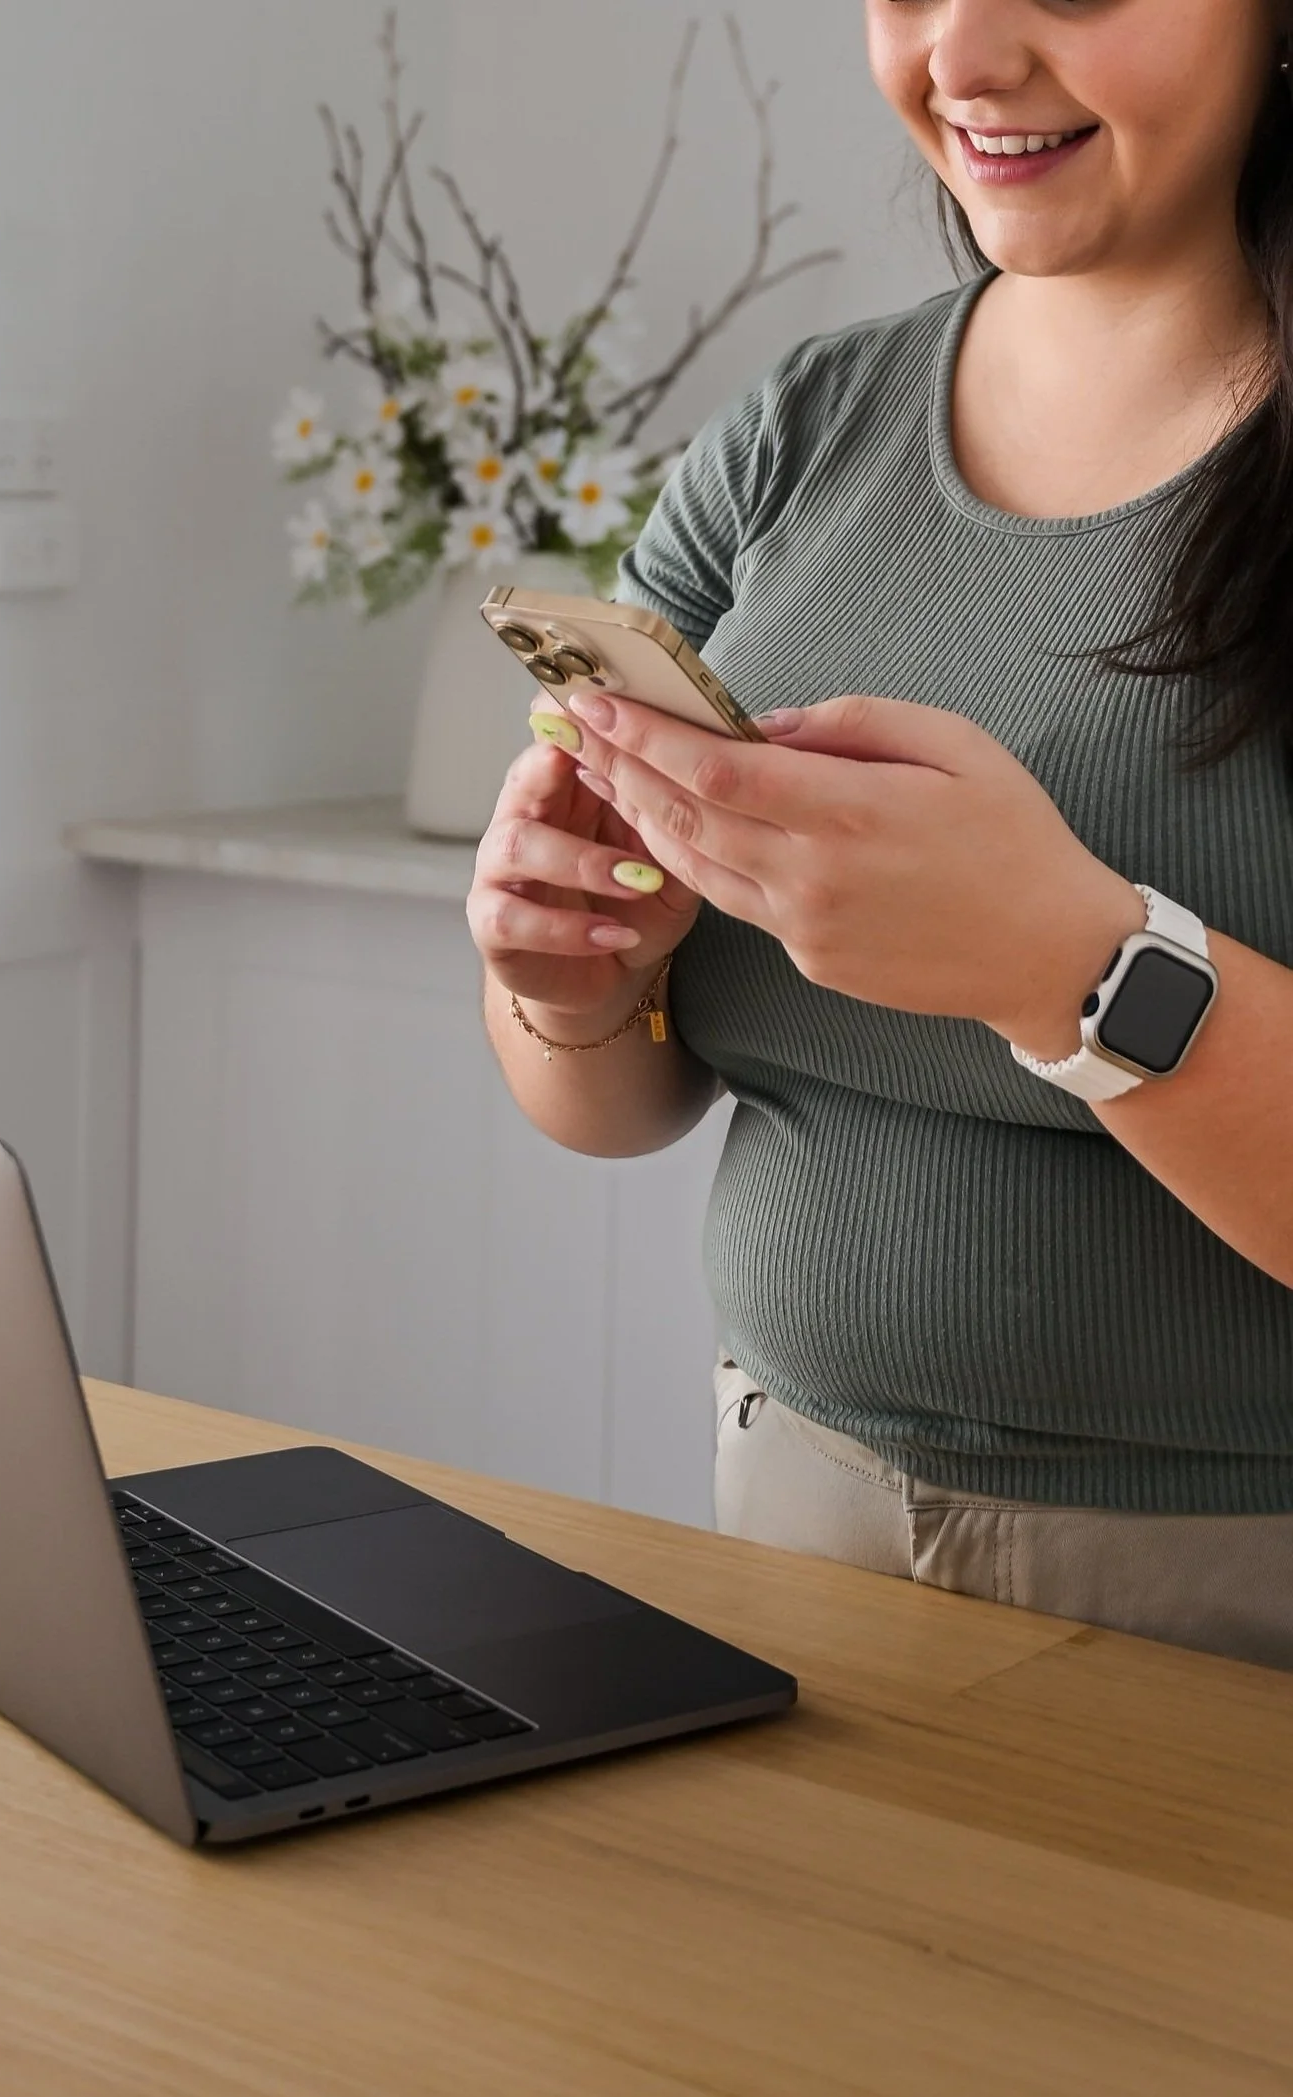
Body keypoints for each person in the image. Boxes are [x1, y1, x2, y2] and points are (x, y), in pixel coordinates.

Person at [467, 0, 1293, 1668]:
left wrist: (1075, 967)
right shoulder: (802, 429)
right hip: (791, 1514)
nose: (963, 57)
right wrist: (560, 973)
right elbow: (608, 1102)